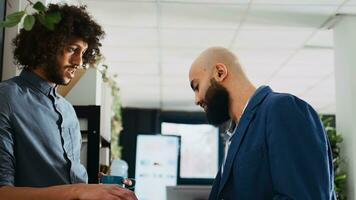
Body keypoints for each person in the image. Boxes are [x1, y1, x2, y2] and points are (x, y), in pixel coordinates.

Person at [0, 4, 137, 200]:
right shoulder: (7, 97)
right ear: (46, 45)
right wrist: (80, 191)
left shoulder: (67, 110)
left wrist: (103, 189)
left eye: (83, 52)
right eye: (73, 49)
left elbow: (67, 184)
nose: (79, 62)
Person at [188, 46, 336, 200]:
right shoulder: (235, 134)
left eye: (197, 87)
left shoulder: (282, 108)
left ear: (220, 72)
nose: (196, 99)